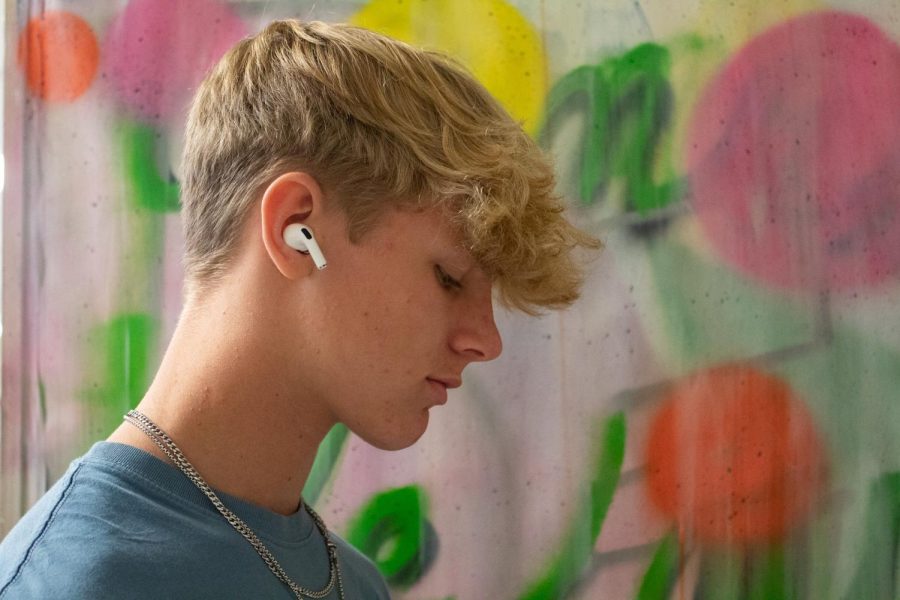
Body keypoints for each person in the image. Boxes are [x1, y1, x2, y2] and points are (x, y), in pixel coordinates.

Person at [0, 19, 598, 599]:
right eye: (448, 278)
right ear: (294, 229)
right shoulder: (80, 582)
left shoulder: (354, 582)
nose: (486, 340)